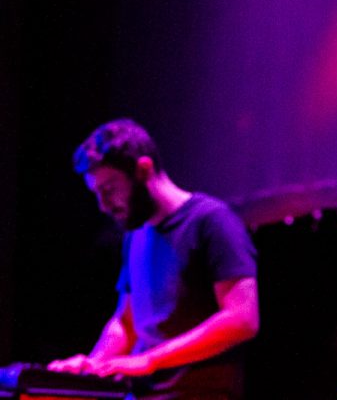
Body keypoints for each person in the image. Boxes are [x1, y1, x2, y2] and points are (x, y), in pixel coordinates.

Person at [49, 119, 259, 400]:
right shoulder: (135, 236)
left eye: (109, 189)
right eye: (96, 194)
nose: (103, 205)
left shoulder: (211, 221)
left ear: (143, 170)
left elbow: (242, 318)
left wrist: (151, 359)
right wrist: (92, 369)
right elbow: (125, 322)